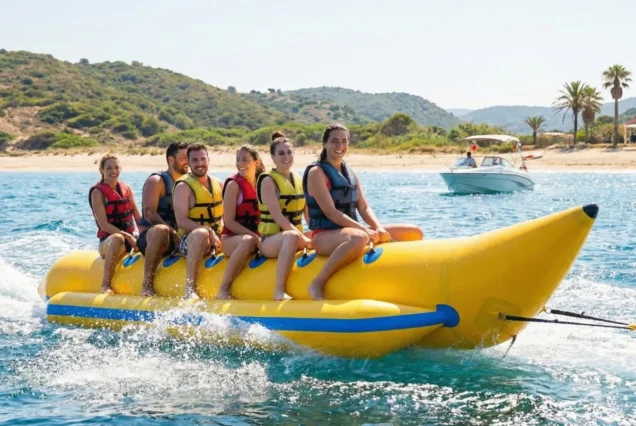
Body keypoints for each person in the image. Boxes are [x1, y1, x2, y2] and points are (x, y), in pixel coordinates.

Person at [303, 124, 424, 300]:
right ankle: (318, 282)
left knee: (413, 231)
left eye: (344, 141)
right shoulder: (317, 172)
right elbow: (331, 213)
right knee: (359, 238)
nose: (340, 146)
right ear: (325, 143)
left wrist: (378, 227)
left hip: (348, 231)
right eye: (334, 141)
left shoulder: (349, 171)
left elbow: (363, 207)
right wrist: (365, 230)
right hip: (323, 236)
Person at [257, 131, 311, 300]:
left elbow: (308, 216)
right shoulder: (268, 181)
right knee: (292, 236)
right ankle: (278, 290)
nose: (286, 157)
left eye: (289, 152)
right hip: (270, 241)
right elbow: (278, 217)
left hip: (295, 236)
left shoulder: (298, 179)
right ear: (273, 157)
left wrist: (315, 234)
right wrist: (302, 237)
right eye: (281, 153)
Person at [137, 142, 189, 296]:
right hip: (151, 238)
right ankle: (146, 285)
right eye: (184, 158)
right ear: (171, 160)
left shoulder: (188, 184)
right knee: (161, 230)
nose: (188, 161)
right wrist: (173, 234)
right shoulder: (157, 181)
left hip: (178, 238)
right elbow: (149, 213)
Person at [173, 143, 224, 299]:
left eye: (203, 159)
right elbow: (181, 221)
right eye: (195, 160)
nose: (200, 163)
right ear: (188, 163)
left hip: (216, 238)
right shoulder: (183, 186)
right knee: (201, 233)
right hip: (188, 240)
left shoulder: (219, 184)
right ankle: (190, 288)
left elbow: (226, 217)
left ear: (208, 160)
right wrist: (208, 231)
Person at [89, 154, 142, 294]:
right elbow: (104, 225)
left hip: (129, 240)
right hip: (108, 242)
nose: (113, 171)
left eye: (116, 167)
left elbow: (137, 216)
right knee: (118, 238)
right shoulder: (97, 193)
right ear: (102, 170)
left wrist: (145, 234)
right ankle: (105, 285)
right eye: (109, 168)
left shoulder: (126, 188)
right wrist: (128, 237)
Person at [217, 145, 264, 299]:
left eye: (245, 159)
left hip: (257, 236)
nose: (240, 163)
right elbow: (229, 222)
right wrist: (255, 237)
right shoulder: (233, 185)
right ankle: (223, 289)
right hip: (232, 240)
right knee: (248, 241)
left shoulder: (262, 182)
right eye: (238, 160)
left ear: (256, 162)